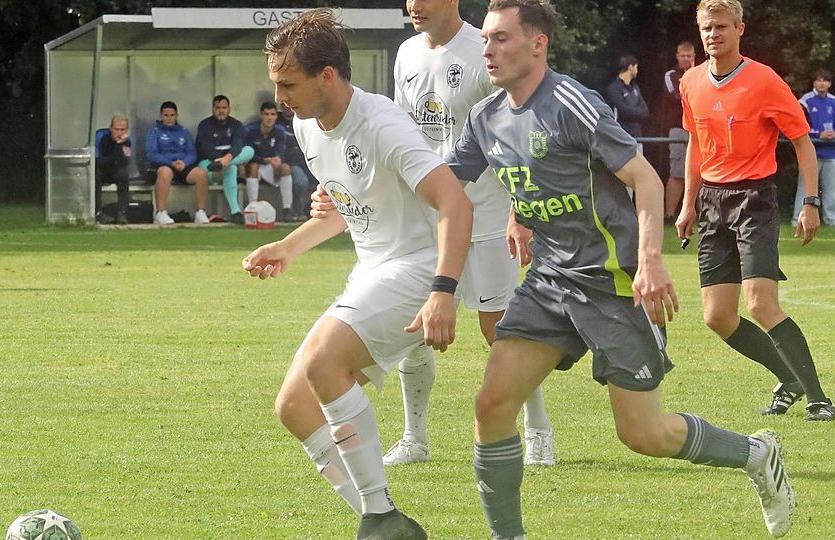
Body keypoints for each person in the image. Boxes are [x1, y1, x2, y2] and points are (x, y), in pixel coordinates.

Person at [444, 1, 795, 538]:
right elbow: (444, 184)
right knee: (491, 405)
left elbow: (646, 180)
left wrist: (650, 261)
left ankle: (754, 453)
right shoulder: (485, 116)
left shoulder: (570, 102)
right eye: (486, 40)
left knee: (644, 433)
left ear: (538, 43)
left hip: (613, 283)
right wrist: (351, 189)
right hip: (549, 281)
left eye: (501, 39)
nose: (487, 50)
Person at [244, 9, 472, 539]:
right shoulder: (307, 124)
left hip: (418, 268)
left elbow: (455, 204)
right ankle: (387, 525)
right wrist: (291, 245)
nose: (280, 98)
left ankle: (379, 514)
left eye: (288, 83)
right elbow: (348, 206)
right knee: (295, 407)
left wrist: (443, 291)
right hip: (373, 271)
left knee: (325, 362)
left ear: (328, 75)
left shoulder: (383, 125)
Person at [382, 0, 556, 468]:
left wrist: (519, 210)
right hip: (427, 215)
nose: (413, 5)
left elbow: (518, 128)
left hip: (487, 212)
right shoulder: (406, 53)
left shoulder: (485, 47)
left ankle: (538, 429)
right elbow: (401, 133)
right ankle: (414, 438)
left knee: (498, 328)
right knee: (413, 327)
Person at [677, 0, 835, 424]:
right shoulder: (691, 81)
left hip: (754, 200)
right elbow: (696, 144)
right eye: (707, 28)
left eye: (722, 27)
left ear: (740, 29)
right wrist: (687, 204)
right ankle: (788, 379)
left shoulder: (765, 80)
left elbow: (802, 141)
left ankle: (819, 399)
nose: (713, 34)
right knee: (716, 316)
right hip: (711, 202)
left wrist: (810, 202)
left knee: (761, 304)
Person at [187, 95, 255, 225]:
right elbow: (208, 151)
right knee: (232, 167)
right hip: (207, 164)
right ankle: (235, 211)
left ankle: (236, 213)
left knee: (248, 151)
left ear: (229, 109)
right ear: (213, 109)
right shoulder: (205, 125)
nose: (221, 111)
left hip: (226, 163)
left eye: (224, 107)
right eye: (218, 108)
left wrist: (226, 160)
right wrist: (223, 160)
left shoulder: (236, 125)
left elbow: (237, 145)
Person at [793, 71, 835, 228]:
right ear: (814, 83)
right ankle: (797, 218)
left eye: (825, 81)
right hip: (811, 153)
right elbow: (797, 125)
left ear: (830, 83)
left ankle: (831, 220)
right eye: (818, 80)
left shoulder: (834, 101)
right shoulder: (805, 101)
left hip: (831, 152)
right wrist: (817, 134)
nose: (822, 83)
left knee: (831, 189)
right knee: (805, 187)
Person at [244, 101, 307, 222]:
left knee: (285, 168)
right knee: (253, 166)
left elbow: (281, 152)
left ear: (276, 116)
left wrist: (278, 159)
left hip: (270, 167)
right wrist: (264, 159)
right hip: (255, 166)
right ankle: (253, 207)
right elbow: (248, 154)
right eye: (266, 114)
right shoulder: (251, 130)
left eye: (272, 114)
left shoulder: (279, 131)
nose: (269, 118)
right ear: (261, 115)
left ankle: (287, 209)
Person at [145, 101, 197, 225]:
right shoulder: (155, 131)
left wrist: (184, 162)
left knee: (201, 174)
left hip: (181, 166)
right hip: (162, 166)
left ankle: (200, 212)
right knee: (165, 172)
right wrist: (170, 162)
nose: (169, 118)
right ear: (161, 116)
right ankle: (160, 212)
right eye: (166, 115)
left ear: (176, 115)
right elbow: (152, 154)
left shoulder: (184, 131)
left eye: (172, 115)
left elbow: (192, 153)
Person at [661, 41, 696, 223]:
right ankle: (669, 214)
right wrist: (690, 85)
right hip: (678, 128)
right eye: (683, 56)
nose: (686, 59)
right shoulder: (671, 75)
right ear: (677, 56)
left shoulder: (701, 73)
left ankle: (697, 213)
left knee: (701, 173)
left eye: (689, 56)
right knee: (677, 173)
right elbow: (676, 97)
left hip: (699, 129)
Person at [96, 114, 138, 225]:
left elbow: (124, 160)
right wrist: (117, 147)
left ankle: (122, 213)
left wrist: (120, 145)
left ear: (127, 130)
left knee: (123, 175)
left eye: (122, 130)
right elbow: (101, 161)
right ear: (111, 128)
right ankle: (97, 212)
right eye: (116, 129)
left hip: (116, 170)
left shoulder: (127, 142)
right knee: (96, 176)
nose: (119, 133)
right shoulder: (104, 139)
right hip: (103, 170)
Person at [277, 102, 317, 215]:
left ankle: (310, 208)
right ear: (281, 107)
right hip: (290, 163)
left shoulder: (305, 121)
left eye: (291, 105)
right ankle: (296, 210)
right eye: (285, 105)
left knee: (323, 179)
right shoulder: (277, 123)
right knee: (301, 182)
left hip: (308, 161)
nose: (288, 107)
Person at [604, 54, 650, 142]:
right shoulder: (614, 88)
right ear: (630, 67)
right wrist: (637, 111)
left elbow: (645, 111)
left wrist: (633, 111)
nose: (637, 71)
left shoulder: (635, 87)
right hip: (621, 136)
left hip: (637, 136)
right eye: (636, 67)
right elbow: (624, 111)